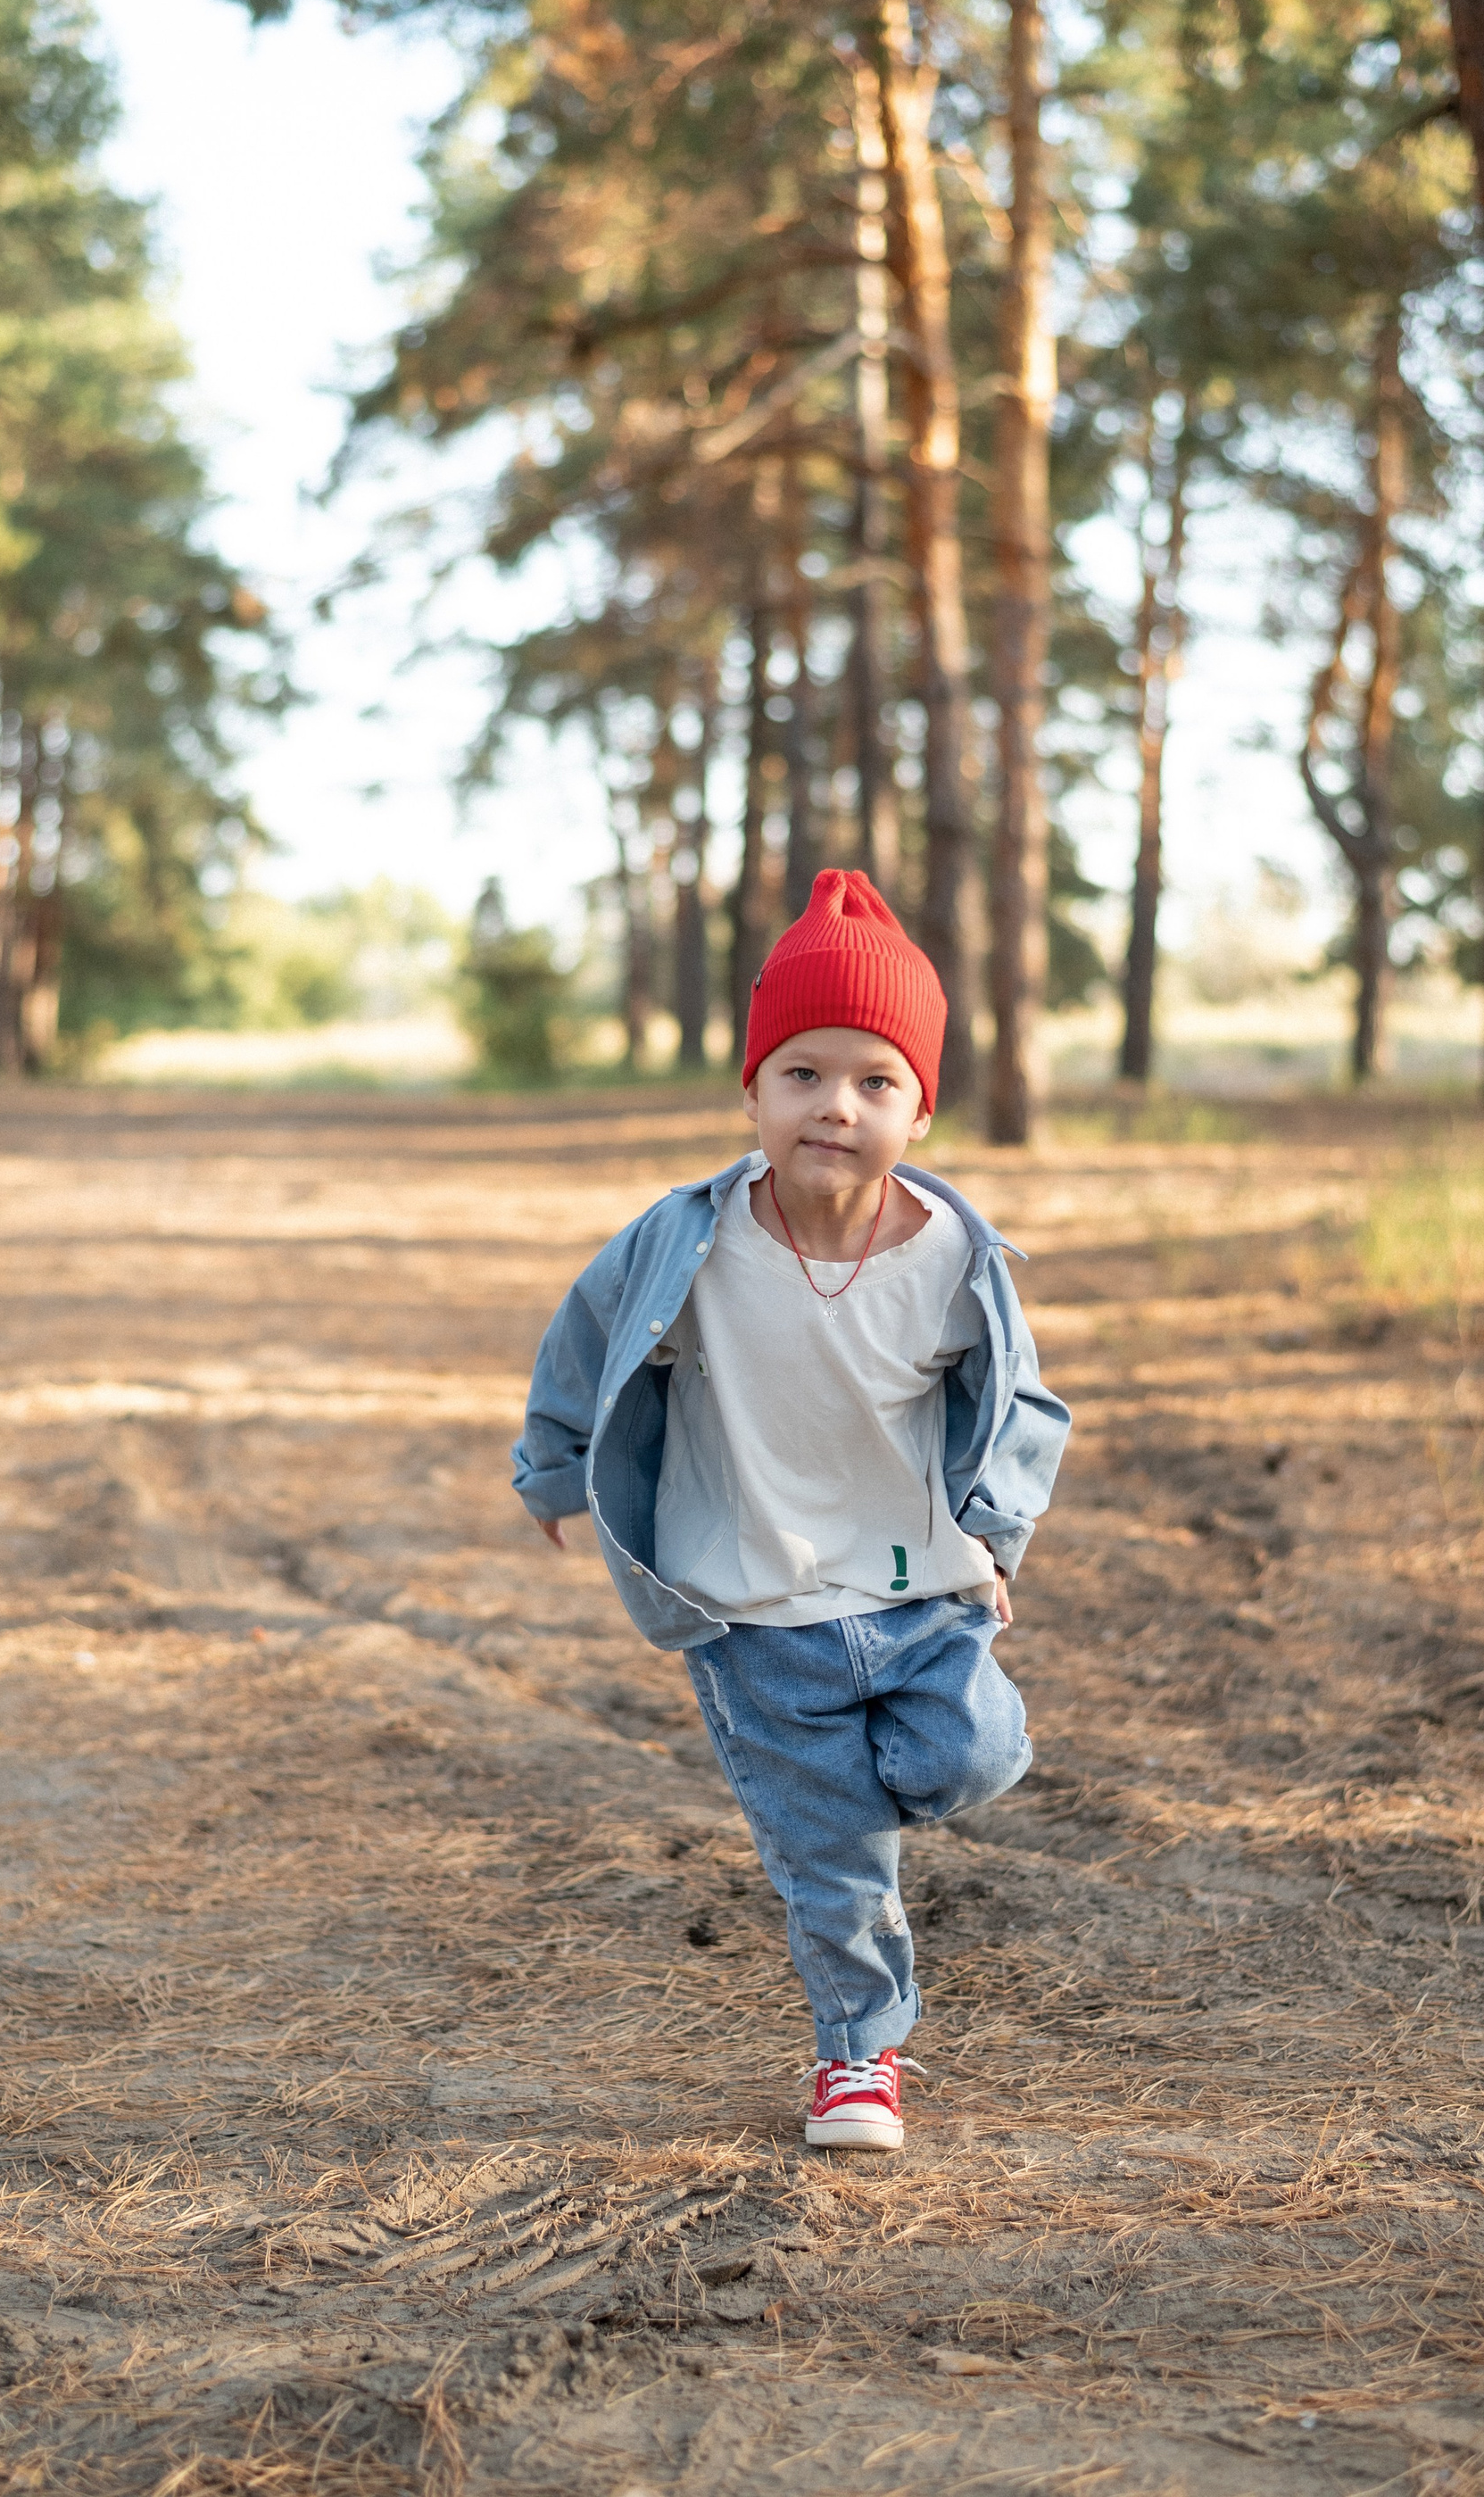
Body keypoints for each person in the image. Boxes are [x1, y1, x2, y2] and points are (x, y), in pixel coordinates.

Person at [512, 870, 1070, 2151]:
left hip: (921, 1593)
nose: (836, 1106)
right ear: (752, 1092)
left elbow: (1024, 1404)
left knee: (972, 1756)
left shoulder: (953, 1257)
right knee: (834, 1862)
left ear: (921, 1109)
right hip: (754, 1605)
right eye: (803, 1074)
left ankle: (852, 1802)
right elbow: (586, 1338)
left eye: (876, 1081)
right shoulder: (690, 1242)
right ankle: (859, 2057)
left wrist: (996, 1532)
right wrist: (552, 1465)